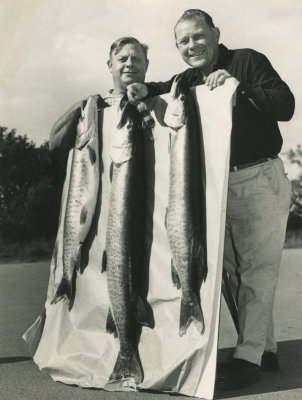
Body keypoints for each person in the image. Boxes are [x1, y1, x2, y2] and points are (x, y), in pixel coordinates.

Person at [127, 9, 295, 390]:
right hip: (219, 186)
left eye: (198, 36)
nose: (192, 46)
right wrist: (142, 89)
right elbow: (164, 87)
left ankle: (248, 358)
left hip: (259, 178)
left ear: (216, 33)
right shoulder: (188, 79)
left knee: (256, 272)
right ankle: (264, 348)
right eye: (183, 41)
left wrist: (241, 86)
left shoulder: (246, 60)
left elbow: (285, 105)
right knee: (233, 274)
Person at [49, 36, 149, 153]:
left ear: (146, 65)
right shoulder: (91, 108)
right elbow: (55, 146)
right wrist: (82, 108)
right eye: (122, 59)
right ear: (110, 66)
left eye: (136, 59)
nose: (129, 64)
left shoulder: (163, 102)